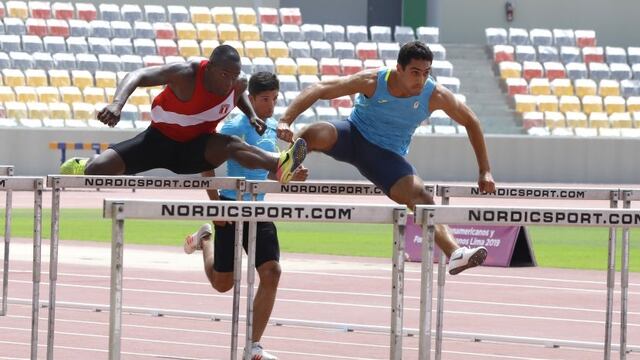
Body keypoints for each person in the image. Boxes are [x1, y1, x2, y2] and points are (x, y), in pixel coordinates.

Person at [277, 41, 497, 275]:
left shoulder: (435, 95)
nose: (420, 80)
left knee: (421, 196)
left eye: (426, 73)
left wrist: (485, 170)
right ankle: (286, 165)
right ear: (398, 69)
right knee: (315, 132)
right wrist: (285, 120)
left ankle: (455, 253)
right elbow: (320, 88)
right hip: (352, 136)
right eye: (414, 73)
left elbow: (471, 121)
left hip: (386, 158)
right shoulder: (373, 81)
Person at [184, 72, 306, 360]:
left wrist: (293, 176)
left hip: (259, 210)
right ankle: (205, 239)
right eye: (265, 100)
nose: (271, 106)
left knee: (272, 272)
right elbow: (206, 166)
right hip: (229, 207)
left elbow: (274, 174)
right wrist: (216, 209)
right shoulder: (235, 126)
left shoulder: (277, 129)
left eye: (275, 99)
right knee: (223, 284)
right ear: (250, 99)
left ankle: (253, 346)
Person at [59, 45, 306, 184]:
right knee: (96, 172)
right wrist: (116, 104)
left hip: (196, 149)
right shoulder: (185, 74)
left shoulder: (237, 84)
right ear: (209, 67)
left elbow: (237, 93)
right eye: (224, 74)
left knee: (230, 144)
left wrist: (251, 115)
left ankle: (279, 164)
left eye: (233, 76)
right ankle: (85, 164)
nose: (228, 81)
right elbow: (137, 75)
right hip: (157, 141)